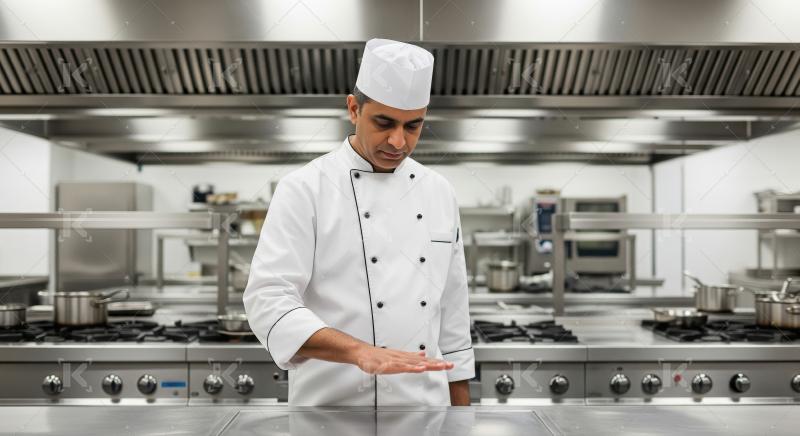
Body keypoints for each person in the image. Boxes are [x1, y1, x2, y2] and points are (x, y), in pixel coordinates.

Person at [243, 38, 474, 407]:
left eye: (413, 126)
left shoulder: (438, 192)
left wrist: (461, 419)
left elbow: (453, 318)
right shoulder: (305, 188)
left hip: (424, 413)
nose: (398, 141)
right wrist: (358, 351)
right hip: (331, 411)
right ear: (353, 109)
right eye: (384, 123)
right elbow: (267, 299)